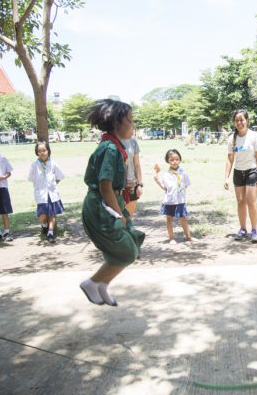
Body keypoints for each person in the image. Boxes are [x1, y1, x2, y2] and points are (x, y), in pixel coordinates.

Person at [80, 99, 145, 306]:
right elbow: (105, 186)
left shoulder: (114, 146)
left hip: (111, 201)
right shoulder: (110, 148)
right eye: (130, 121)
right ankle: (92, 283)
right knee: (125, 250)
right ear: (117, 123)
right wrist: (119, 215)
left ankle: (101, 285)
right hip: (102, 206)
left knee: (131, 244)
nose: (133, 126)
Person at [224, 109, 257, 243]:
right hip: (238, 172)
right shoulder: (232, 138)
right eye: (237, 120)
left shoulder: (254, 136)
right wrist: (226, 177)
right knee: (240, 201)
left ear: (247, 120)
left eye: (242, 120)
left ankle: (254, 231)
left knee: (250, 201)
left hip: (252, 171)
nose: (239, 122)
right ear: (234, 122)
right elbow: (230, 159)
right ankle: (242, 229)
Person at [153, 149, 193, 244]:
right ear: (168, 161)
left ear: (180, 159)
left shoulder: (183, 172)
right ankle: (171, 238)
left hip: (180, 200)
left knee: (183, 218)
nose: (175, 161)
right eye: (171, 160)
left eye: (177, 159)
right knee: (169, 219)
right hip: (170, 201)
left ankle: (188, 237)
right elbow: (165, 188)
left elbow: (186, 184)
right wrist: (156, 179)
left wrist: (180, 192)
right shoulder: (166, 175)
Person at [27, 141, 65, 244]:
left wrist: (54, 184)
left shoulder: (52, 163)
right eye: (39, 151)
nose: (42, 153)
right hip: (41, 193)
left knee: (51, 213)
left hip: (52, 193)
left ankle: (50, 233)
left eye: (44, 150)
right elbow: (30, 178)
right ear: (37, 153)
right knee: (42, 214)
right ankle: (44, 225)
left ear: (48, 151)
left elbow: (60, 175)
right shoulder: (34, 165)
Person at [122, 134, 143, 219]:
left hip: (131, 185)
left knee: (129, 220)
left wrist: (139, 184)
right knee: (118, 220)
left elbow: (137, 165)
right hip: (116, 187)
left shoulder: (132, 141)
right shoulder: (110, 141)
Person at [0, 153, 14, 242]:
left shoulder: (3, 158)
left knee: (5, 211)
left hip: (3, 187)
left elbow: (9, 173)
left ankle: (7, 232)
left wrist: (3, 177)